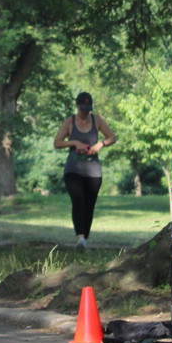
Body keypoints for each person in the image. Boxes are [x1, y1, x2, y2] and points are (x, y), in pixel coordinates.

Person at [54, 92, 116, 247]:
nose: (85, 113)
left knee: (89, 204)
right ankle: (80, 237)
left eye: (87, 109)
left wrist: (100, 144)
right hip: (73, 169)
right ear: (77, 106)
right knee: (78, 200)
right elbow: (57, 142)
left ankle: (84, 240)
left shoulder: (97, 120)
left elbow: (112, 137)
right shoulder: (70, 121)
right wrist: (74, 142)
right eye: (82, 109)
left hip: (93, 170)